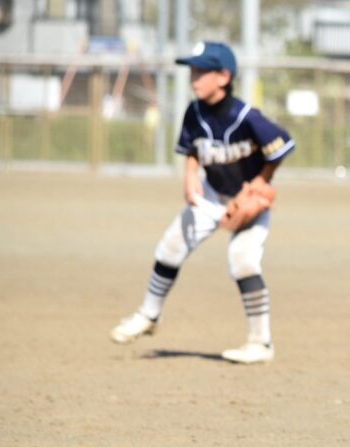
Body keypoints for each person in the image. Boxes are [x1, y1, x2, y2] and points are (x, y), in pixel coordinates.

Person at [109, 41, 295, 364]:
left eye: (201, 72)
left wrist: (263, 180)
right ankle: (149, 315)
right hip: (210, 196)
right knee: (170, 246)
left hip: (247, 201)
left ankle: (260, 343)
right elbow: (193, 149)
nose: (194, 78)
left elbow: (281, 146)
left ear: (224, 77)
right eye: (192, 71)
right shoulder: (194, 112)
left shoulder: (245, 116)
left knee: (243, 261)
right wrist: (190, 175)